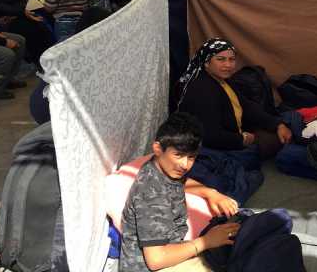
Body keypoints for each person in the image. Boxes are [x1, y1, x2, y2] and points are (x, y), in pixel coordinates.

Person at [121, 112, 240, 272]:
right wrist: (205, 242)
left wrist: (211, 193)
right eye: (178, 155)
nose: (185, 165)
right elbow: (156, 260)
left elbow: (181, 183)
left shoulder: (162, 166)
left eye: (191, 157)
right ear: (157, 148)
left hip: (175, 249)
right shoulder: (151, 195)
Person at [177, 38, 292, 159]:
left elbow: (247, 107)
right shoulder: (202, 89)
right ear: (206, 63)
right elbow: (210, 136)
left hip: (233, 132)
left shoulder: (223, 81)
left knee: (285, 127)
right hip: (212, 145)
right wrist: (242, 139)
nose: (228, 65)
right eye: (220, 59)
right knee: (275, 144)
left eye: (231, 59)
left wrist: (278, 124)